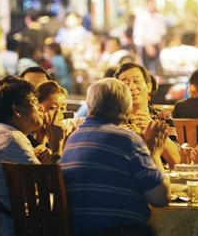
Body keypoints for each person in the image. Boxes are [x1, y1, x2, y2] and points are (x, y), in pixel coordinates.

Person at [60, 78, 170, 236]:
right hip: (120, 231)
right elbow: (160, 198)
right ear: (126, 107)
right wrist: (155, 153)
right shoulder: (127, 139)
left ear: (90, 106)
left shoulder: (74, 138)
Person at [0, 76, 45, 236]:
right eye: (35, 102)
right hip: (16, 226)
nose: (41, 108)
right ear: (16, 110)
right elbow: (49, 184)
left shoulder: (1, 133)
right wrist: (57, 142)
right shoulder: (12, 139)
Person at [114, 62, 181, 166]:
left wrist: (154, 128)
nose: (131, 87)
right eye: (125, 83)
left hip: (159, 176)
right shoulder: (113, 118)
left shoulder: (162, 117)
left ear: (149, 86)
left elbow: (177, 161)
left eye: (136, 81)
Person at [133, 0, 166, 75]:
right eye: (149, 4)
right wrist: (148, 46)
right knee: (146, 70)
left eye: (153, 4)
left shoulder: (159, 16)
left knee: (157, 68)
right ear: (146, 5)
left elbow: (162, 32)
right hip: (145, 45)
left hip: (157, 44)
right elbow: (140, 33)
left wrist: (161, 44)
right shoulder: (141, 16)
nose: (151, 6)